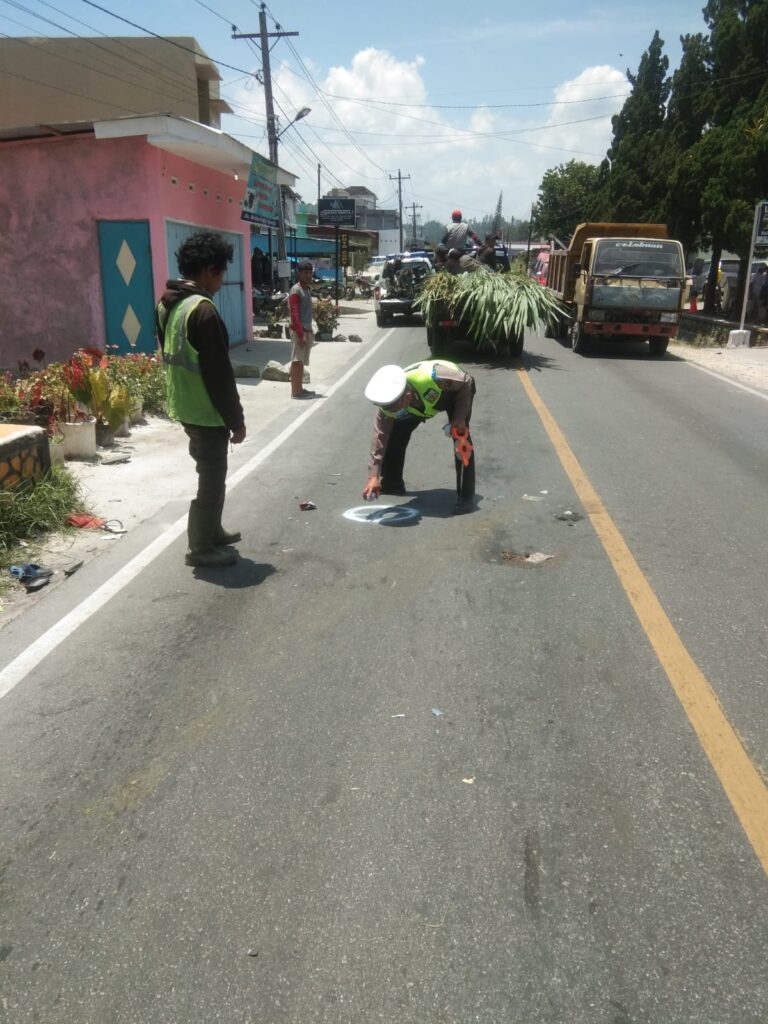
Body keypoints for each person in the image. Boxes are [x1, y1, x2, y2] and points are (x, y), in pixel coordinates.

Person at [156, 231, 246, 568]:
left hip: (184, 405)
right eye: (221, 273)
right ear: (209, 270)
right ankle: (200, 548)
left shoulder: (168, 304)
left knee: (213, 472)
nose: (222, 280)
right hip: (207, 411)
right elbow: (219, 376)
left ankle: (213, 531)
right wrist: (235, 421)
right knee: (211, 476)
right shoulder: (203, 311)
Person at [362, 360, 476, 515]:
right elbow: (378, 441)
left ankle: (466, 497)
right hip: (418, 407)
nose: (391, 413)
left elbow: (466, 381)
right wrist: (373, 476)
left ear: (407, 397)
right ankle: (392, 483)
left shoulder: (435, 377)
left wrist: (460, 417)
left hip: (453, 393)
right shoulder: (388, 408)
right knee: (395, 432)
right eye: (388, 409)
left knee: (461, 440)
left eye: (394, 409)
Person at [287, 260, 318, 399]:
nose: (308, 275)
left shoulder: (307, 289)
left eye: (310, 272)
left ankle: (300, 388)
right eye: (305, 273)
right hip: (299, 330)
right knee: (297, 361)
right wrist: (300, 333)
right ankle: (296, 392)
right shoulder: (296, 290)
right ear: (299, 273)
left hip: (307, 329)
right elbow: (294, 313)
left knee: (301, 362)